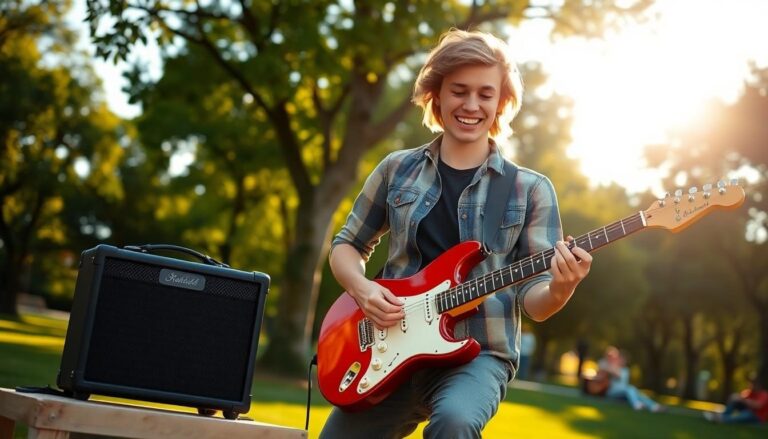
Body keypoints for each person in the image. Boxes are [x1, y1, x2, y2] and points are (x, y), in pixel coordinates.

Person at [319, 29, 593, 439]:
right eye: (458, 91)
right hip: (386, 347)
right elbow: (347, 246)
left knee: (455, 423)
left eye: (485, 94)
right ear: (436, 95)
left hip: (478, 355)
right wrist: (362, 289)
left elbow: (535, 303)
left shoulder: (531, 189)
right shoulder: (397, 169)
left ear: (501, 102)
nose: (470, 105)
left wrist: (562, 287)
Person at [597, 346, 664, 412]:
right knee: (630, 389)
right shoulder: (606, 365)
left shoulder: (624, 370)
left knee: (635, 392)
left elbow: (617, 374)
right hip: (611, 393)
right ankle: (637, 404)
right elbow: (607, 372)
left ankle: (653, 406)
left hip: (623, 394)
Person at [703, 377, 768, 424]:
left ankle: (721, 419)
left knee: (744, 415)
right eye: (750, 383)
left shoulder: (763, 394)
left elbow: (758, 405)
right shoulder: (749, 392)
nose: (751, 385)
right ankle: (722, 415)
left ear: (758, 385)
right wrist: (734, 398)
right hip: (748, 411)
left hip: (757, 416)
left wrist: (743, 400)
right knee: (736, 402)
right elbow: (740, 399)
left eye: (753, 384)